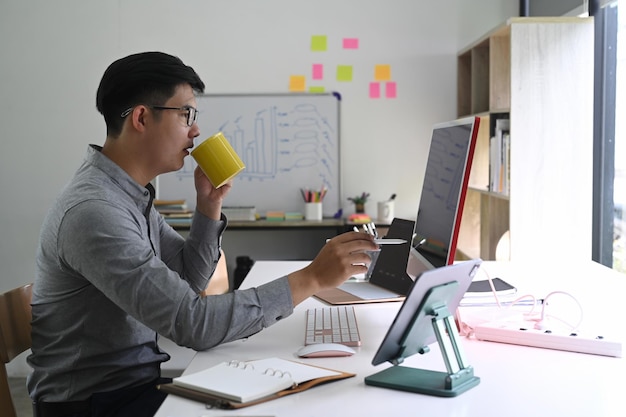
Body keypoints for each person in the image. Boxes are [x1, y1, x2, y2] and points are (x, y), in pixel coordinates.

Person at [27, 51, 377, 417]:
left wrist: (208, 208)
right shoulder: (95, 212)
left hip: (130, 390)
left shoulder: (127, 195)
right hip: (96, 405)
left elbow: (188, 281)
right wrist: (313, 277)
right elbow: (193, 323)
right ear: (142, 117)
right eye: (185, 115)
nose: (195, 130)